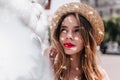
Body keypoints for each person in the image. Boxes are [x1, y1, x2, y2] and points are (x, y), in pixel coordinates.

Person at [48, 2, 110, 80]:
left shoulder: (99, 76)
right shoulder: (51, 71)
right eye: (64, 29)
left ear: (87, 37)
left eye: (77, 30)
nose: (69, 36)